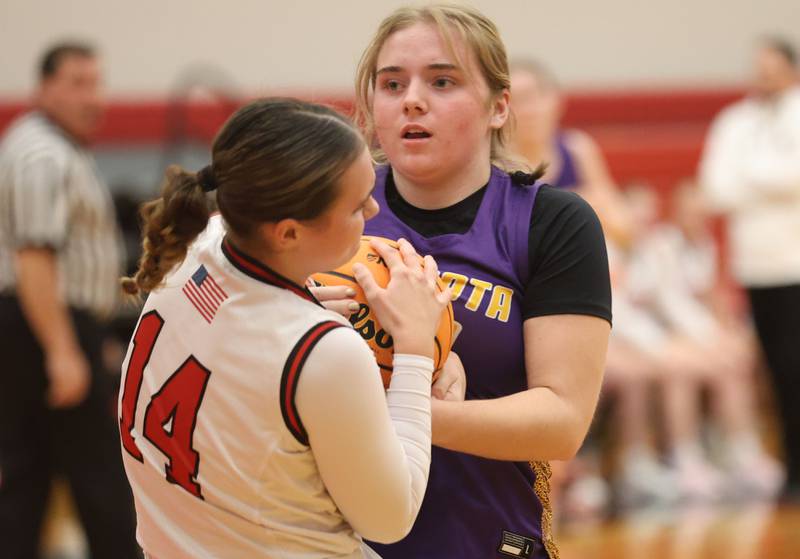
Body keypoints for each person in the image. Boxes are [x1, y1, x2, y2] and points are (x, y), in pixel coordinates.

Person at [118, 97, 453, 558]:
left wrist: (295, 303)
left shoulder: (200, 241)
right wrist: (415, 350)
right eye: (357, 206)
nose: (374, 210)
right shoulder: (323, 352)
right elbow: (391, 519)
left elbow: (237, 336)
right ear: (289, 234)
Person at [353, 5, 611, 557]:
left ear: (499, 107)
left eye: (442, 81)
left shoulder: (551, 222)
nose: (412, 99)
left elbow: (562, 423)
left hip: (486, 539)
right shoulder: (331, 213)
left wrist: (407, 412)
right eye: (392, 83)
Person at [0, 42, 139, 558]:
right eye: (78, 83)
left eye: (97, 82)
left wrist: (86, 340)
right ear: (44, 89)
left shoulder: (52, 147)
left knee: (29, 474)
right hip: (41, 325)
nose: (94, 96)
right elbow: (34, 260)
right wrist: (62, 349)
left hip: (50, 325)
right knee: (96, 477)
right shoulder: (42, 154)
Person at [699, 36, 800, 501]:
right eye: (755, 67)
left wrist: (752, 177)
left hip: (795, 263)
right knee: (777, 370)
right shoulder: (735, 121)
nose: (761, 76)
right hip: (756, 267)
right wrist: (770, 179)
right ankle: (791, 469)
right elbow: (716, 188)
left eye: (770, 67)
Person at [509, 59, 633, 247]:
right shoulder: (493, 162)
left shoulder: (577, 149)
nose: (528, 110)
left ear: (555, 100)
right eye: (516, 101)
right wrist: (576, 204)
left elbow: (623, 229)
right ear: (499, 109)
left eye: (535, 97)